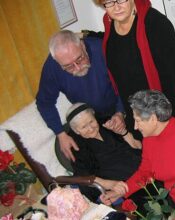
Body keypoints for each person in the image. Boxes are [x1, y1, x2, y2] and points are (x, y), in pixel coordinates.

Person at [93, 0, 175, 138]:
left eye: (121, 0)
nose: (116, 7)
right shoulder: (109, 22)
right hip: (135, 111)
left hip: (164, 109)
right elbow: (119, 47)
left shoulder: (155, 22)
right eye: (109, 2)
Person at [101, 90, 175, 219]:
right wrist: (122, 190)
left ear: (153, 119)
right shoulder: (149, 138)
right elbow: (145, 172)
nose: (135, 127)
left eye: (138, 121)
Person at [36, 30, 126, 162]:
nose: (77, 68)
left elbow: (125, 81)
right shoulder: (52, 67)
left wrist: (120, 112)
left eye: (80, 59)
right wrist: (60, 133)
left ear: (83, 46)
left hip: (122, 105)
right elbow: (44, 102)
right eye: (68, 66)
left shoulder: (102, 49)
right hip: (92, 119)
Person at [65, 102, 141, 203]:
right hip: (122, 183)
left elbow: (139, 147)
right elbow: (83, 175)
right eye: (84, 127)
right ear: (76, 131)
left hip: (143, 170)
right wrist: (111, 184)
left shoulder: (107, 122)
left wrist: (122, 132)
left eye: (91, 121)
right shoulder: (76, 146)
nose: (91, 128)